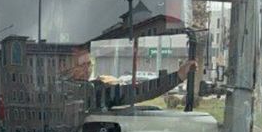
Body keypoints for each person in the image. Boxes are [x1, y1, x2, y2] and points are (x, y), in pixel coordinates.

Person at [61, 46, 197, 112]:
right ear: (64, 66)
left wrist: (178, 76)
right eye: (81, 65)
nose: (87, 69)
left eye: (89, 64)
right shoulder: (55, 90)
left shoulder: (96, 90)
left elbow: (137, 92)